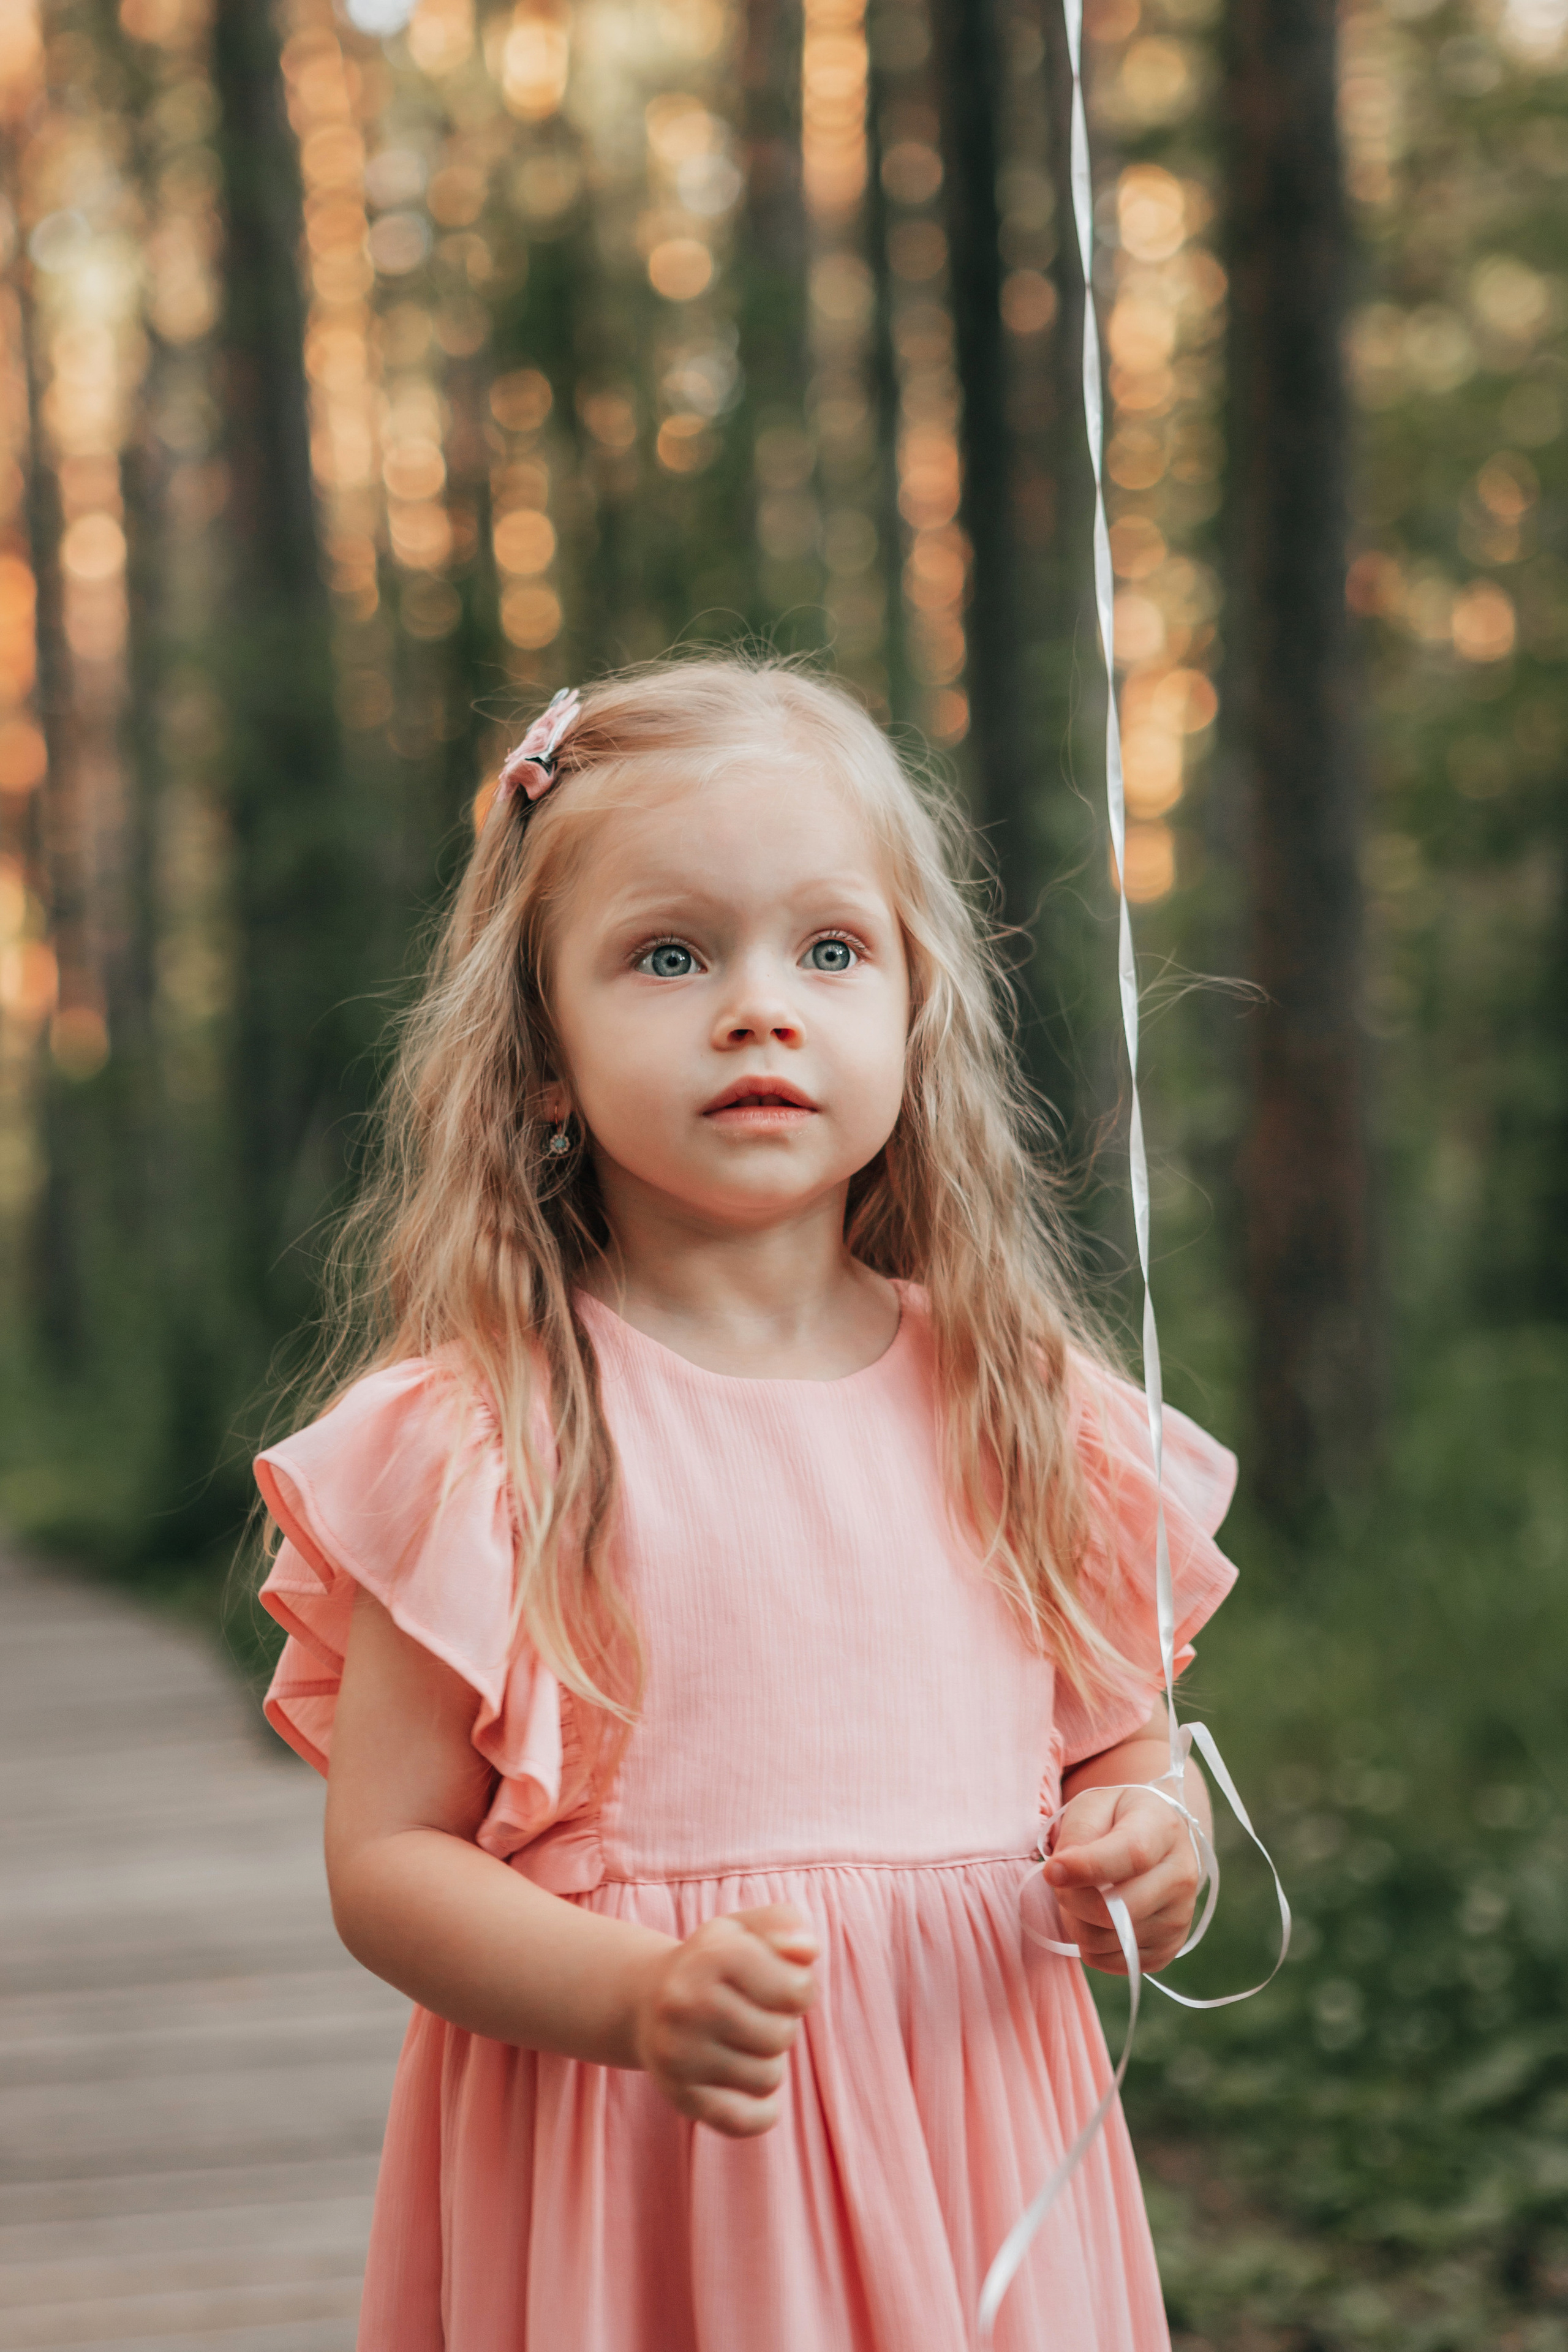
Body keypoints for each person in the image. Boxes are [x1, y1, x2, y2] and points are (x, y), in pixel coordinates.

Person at [254, 655, 1239, 2351]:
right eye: (668, 954)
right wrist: (636, 1999)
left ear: (916, 1019)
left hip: (975, 2146)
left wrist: (1153, 1850)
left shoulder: (1023, 1412)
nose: (760, 1007)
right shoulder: (490, 1437)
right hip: (654, 2167)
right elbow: (392, 1864)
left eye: (831, 951)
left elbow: (1124, 1753)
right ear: (541, 1053)